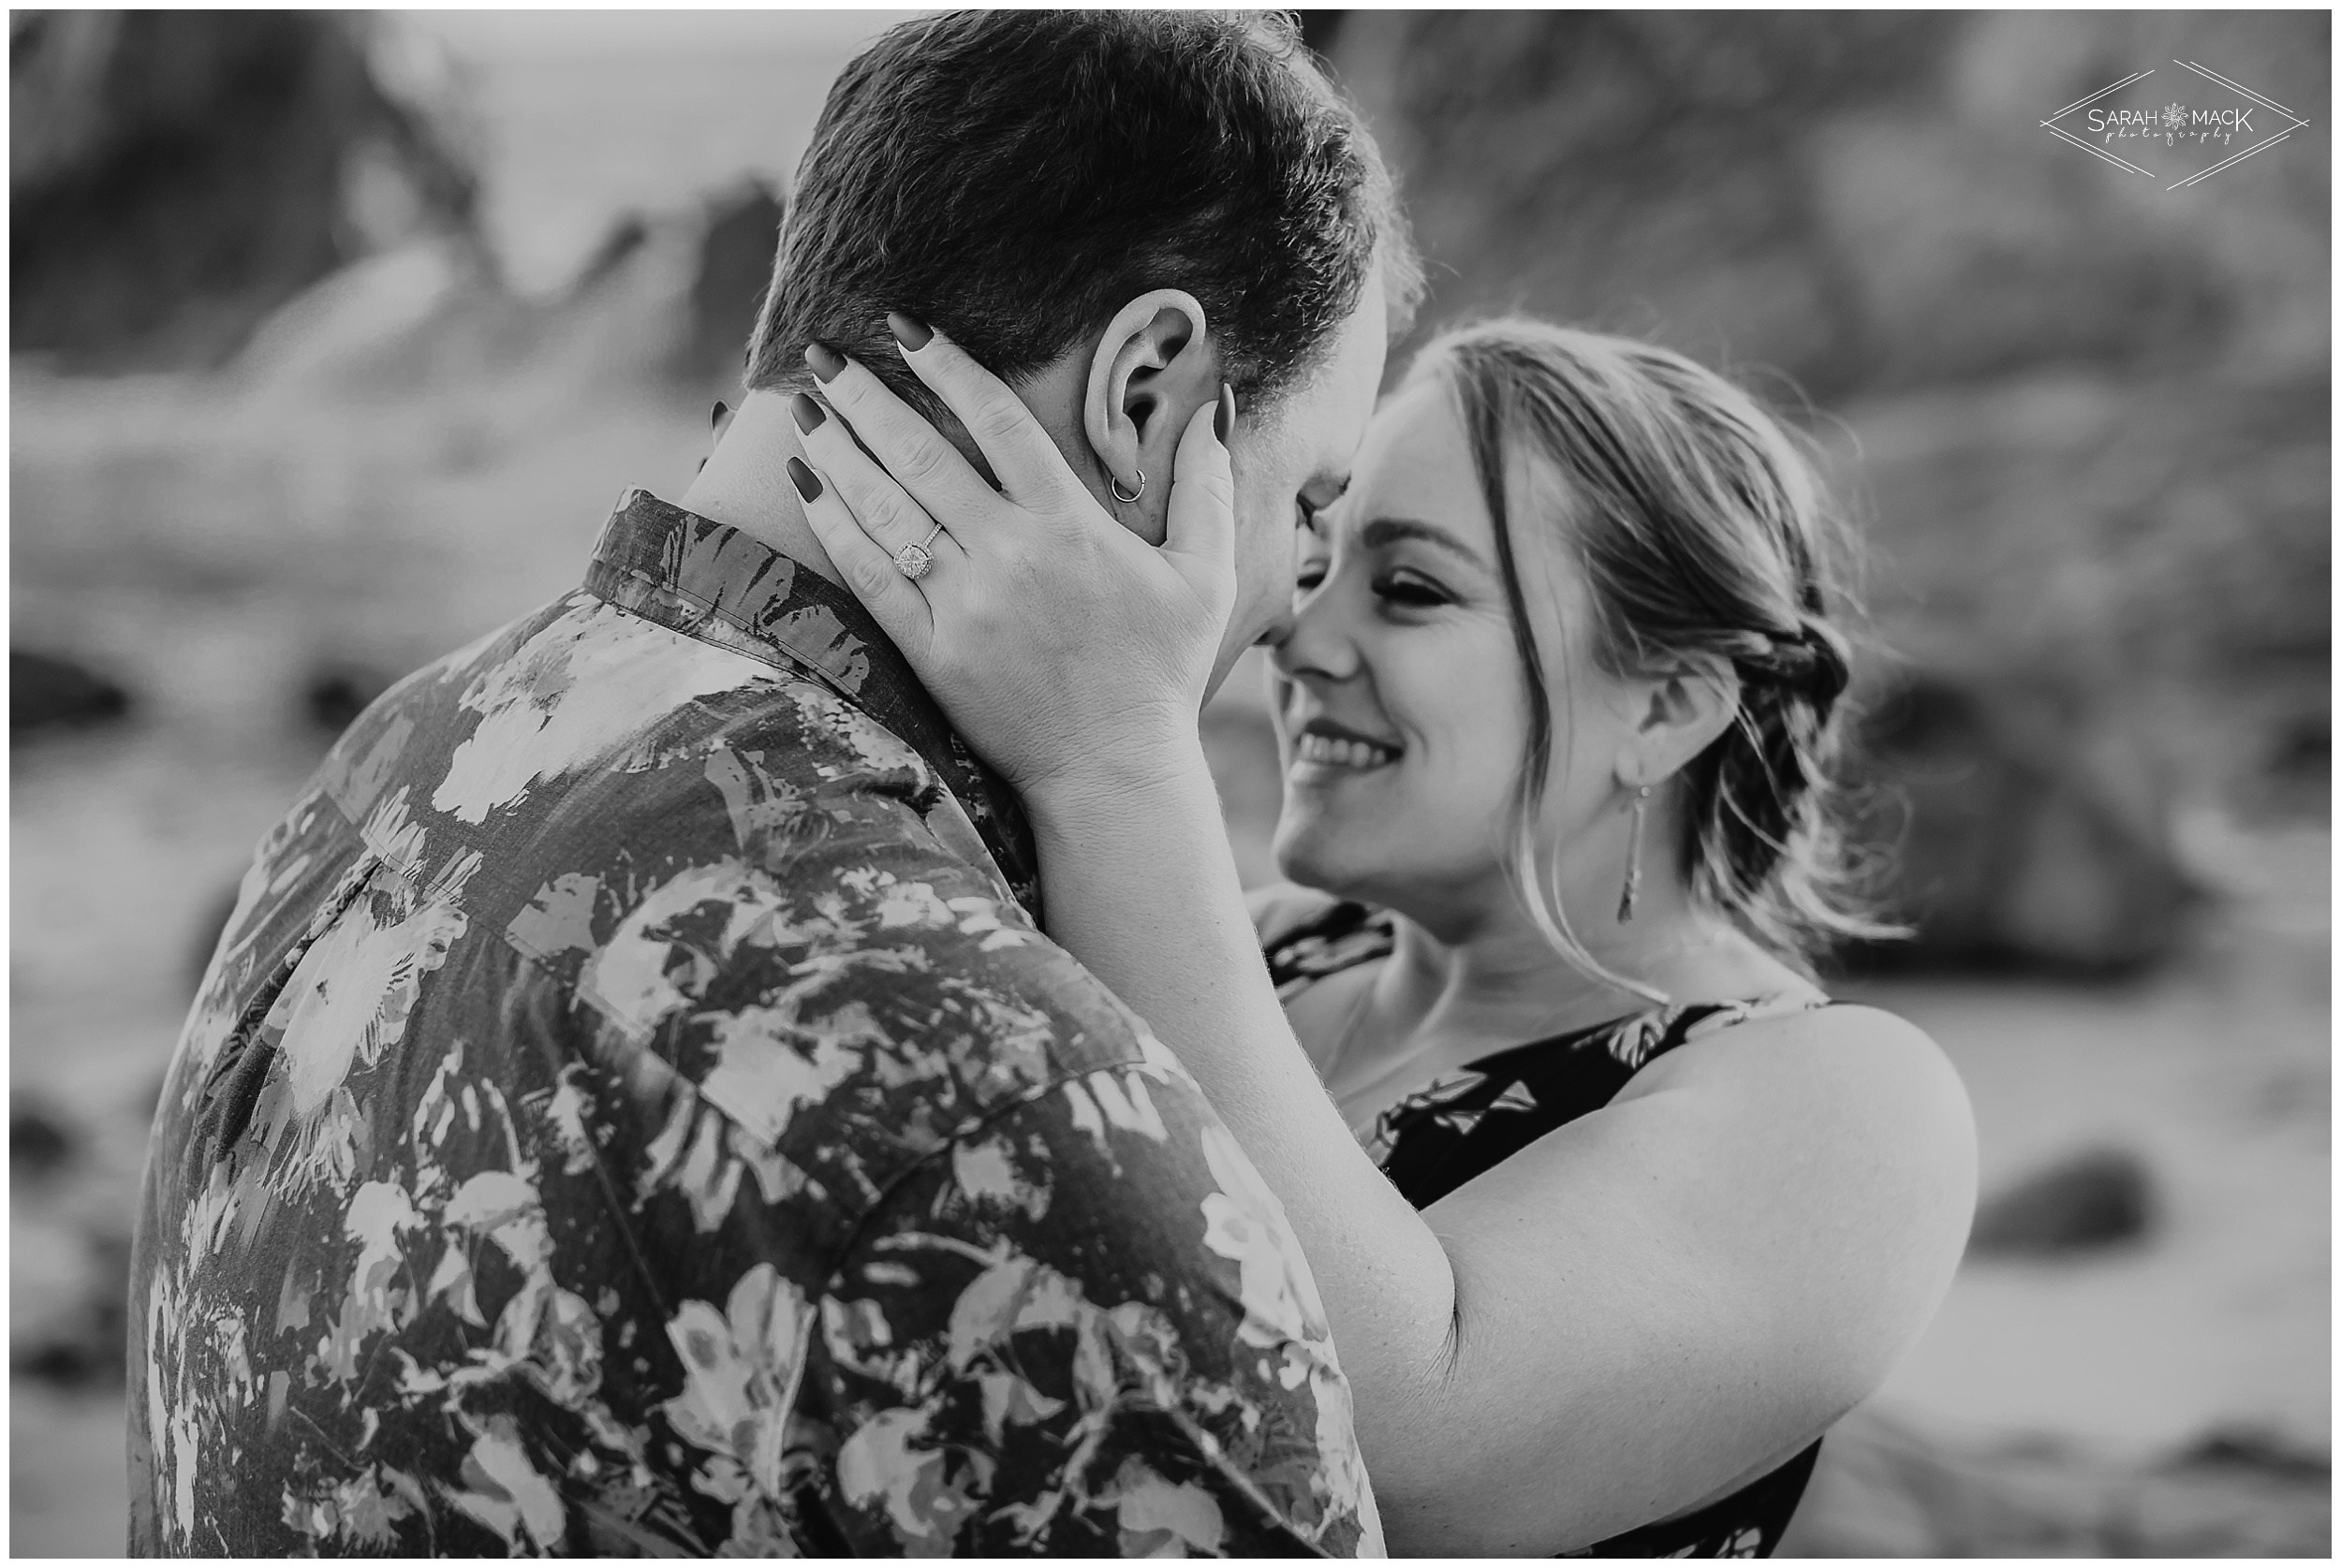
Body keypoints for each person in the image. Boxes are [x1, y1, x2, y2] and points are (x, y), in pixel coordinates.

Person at [126, 12, 1420, 1555]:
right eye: (1313, 498)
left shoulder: (392, 769)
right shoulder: (997, 1108)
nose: (1308, 588)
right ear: (1148, 393)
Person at [787, 315, 1980, 1556]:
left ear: (1669, 706)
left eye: (1410, 590)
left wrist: (1115, 762)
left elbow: (1406, 1459)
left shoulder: (1851, 1105)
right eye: (1320, 556)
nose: (1299, 637)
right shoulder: (1249, 951)